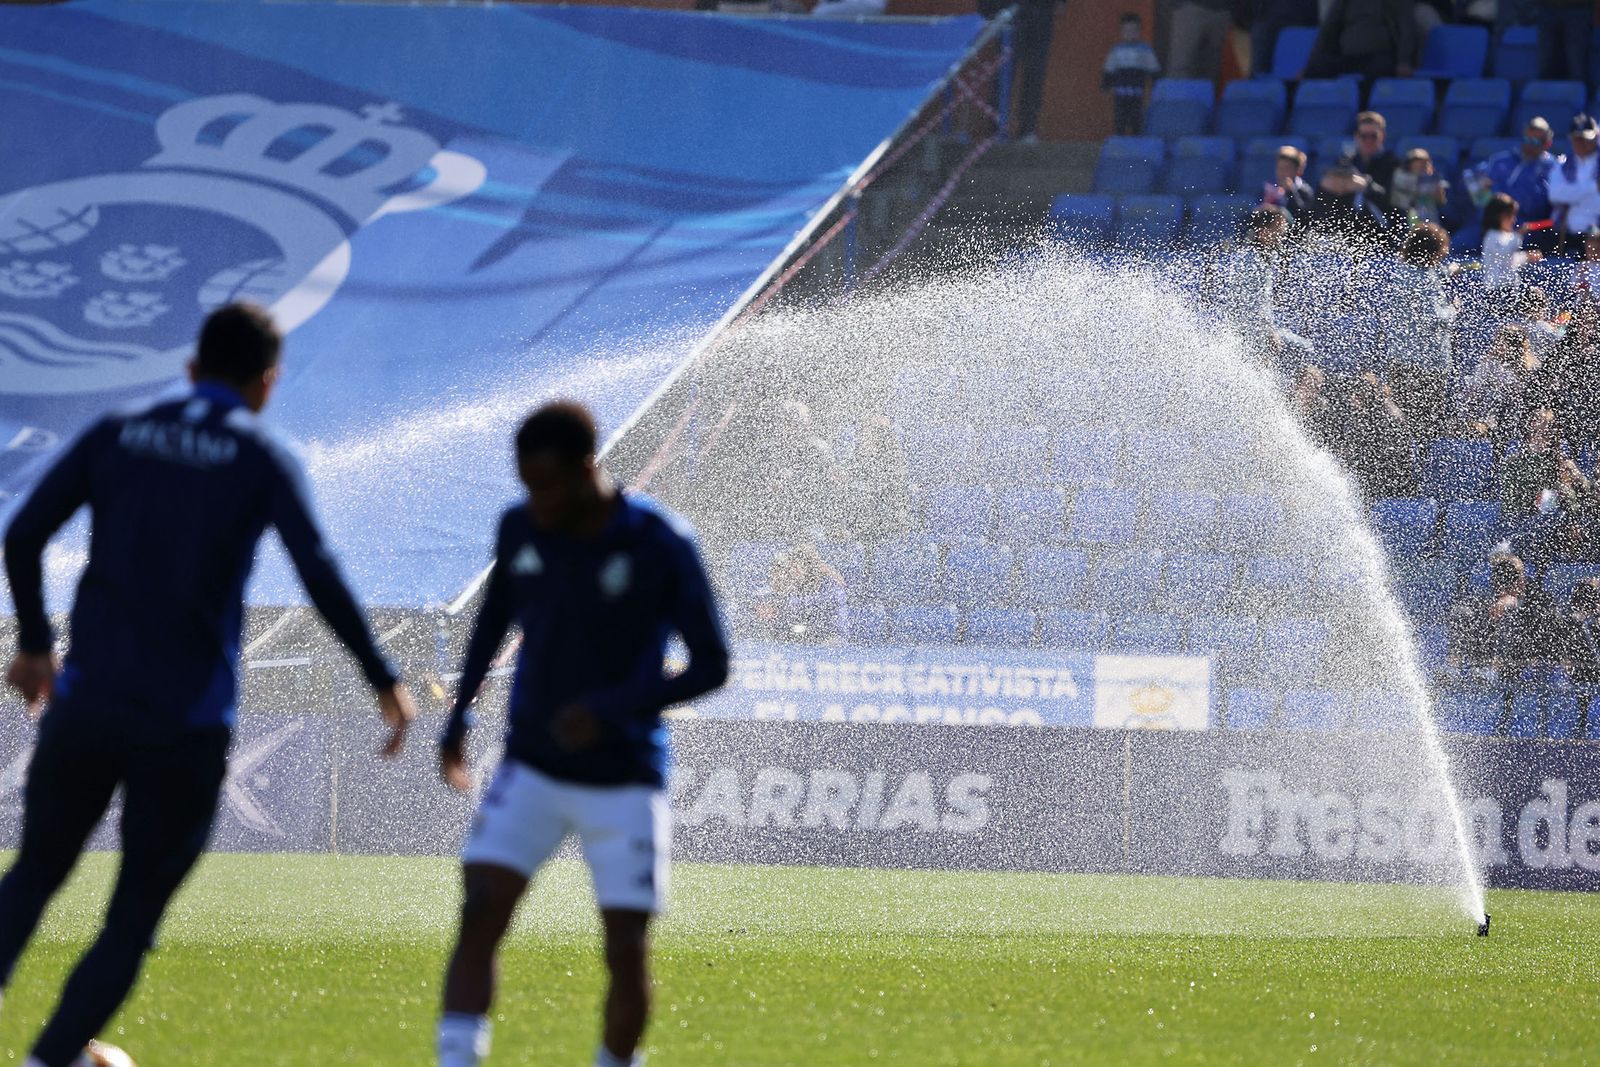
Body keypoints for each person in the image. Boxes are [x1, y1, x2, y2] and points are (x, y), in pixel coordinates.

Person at [0, 303, 415, 1067]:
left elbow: (22, 535)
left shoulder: (119, 430)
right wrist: (382, 676)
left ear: (191, 369)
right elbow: (318, 570)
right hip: (184, 724)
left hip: (87, 702)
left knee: (30, 880)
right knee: (131, 919)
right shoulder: (260, 454)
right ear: (268, 383)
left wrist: (34, 642)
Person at [436, 401, 730, 1067]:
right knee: (481, 908)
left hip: (625, 774)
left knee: (625, 947)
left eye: (548, 486)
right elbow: (494, 618)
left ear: (588, 468)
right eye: (527, 486)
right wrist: (460, 715)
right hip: (532, 764)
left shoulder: (659, 542)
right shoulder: (520, 526)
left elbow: (713, 663)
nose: (536, 502)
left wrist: (614, 706)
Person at [1445, 551, 1566, 686]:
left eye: (1521, 575)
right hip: (1491, 664)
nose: (1522, 581)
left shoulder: (1538, 599)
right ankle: (1456, 670)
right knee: (1465, 613)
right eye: (1514, 576)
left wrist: (1514, 604)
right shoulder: (1483, 603)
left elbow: (1546, 632)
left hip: (1527, 664)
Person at [1459, 118, 1558, 251]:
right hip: (1484, 223)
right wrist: (1481, 189)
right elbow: (1470, 179)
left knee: (1503, 252)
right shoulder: (1500, 160)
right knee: (1455, 246)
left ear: (1547, 143)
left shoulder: (1553, 168)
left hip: (1521, 227)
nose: (1528, 145)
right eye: (1526, 140)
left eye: (1535, 142)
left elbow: (1543, 205)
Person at [1316, 111, 1399, 242]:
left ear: (1383, 136)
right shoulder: (1346, 162)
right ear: (1356, 136)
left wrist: (1366, 186)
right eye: (1363, 136)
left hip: (1380, 232)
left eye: (1373, 136)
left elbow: (1395, 201)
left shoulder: (1393, 164)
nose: (1368, 141)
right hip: (1348, 232)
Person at [749, 542, 848, 643]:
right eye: (791, 567)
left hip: (829, 635)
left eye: (798, 566)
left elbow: (830, 616)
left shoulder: (829, 586)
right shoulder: (786, 588)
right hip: (797, 636)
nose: (793, 571)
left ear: (808, 568)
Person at [1460, 324, 1536, 448]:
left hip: (1517, 420)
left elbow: (1525, 399)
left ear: (1513, 346)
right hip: (1491, 419)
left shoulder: (1531, 367)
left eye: (1499, 343)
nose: (1494, 346)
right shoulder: (1490, 365)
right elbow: (1471, 395)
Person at [1304, 0, 1417, 81]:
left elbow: (1406, 29)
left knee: (1378, 71)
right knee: (1316, 70)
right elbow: (1328, 29)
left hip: (1379, 55)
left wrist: (1404, 61)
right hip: (1347, 56)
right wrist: (1310, 64)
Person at [1011, 0, 1069, 144]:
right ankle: (995, 129)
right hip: (1011, 9)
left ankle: (1028, 129)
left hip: (1043, 9)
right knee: (1004, 70)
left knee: (1035, 73)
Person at [1101, 11, 1161, 136]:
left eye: (1134, 31)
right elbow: (1109, 68)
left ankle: (1136, 140)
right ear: (1121, 32)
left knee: (1136, 118)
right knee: (1120, 117)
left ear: (1139, 31)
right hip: (1120, 93)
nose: (1130, 34)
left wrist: (1156, 82)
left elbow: (1153, 67)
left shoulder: (1145, 49)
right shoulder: (1116, 50)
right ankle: (1119, 140)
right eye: (1127, 31)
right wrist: (1106, 83)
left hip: (1137, 92)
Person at [1549, 115, 1600, 256]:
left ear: (1595, 136)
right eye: (1577, 139)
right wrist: (1593, 188)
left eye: (1585, 138)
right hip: (1567, 233)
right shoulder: (1562, 164)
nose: (1581, 143)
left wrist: (1572, 194)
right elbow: (1555, 194)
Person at [1480, 193, 1542, 293]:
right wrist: (1519, 235)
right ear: (1499, 216)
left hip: (1510, 288)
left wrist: (1526, 257)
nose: (1514, 220)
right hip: (1495, 290)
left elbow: (1510, 260)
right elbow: (1504, 252)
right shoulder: (1491, 236)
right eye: (1510, 215)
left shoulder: (1506, 236)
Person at [1167, 0, 1232, 81]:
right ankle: (1178, 90)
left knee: (1212, 67)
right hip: (1190, 8)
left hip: (1223, 11)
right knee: (1181, 65)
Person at [1536, 0, 1593, 82]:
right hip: (1547, 8)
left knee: (1576, 57)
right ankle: (1541, 86)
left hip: (1579, 8)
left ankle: (1579, 86)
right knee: (1544, 57)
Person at [1262, 144, 1318, 227]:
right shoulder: (1269, 188)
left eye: (1287, 168)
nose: (1282, 172)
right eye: (1279, 168)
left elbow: (1304, 218)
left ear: (1297, 170)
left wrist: (1290, 192)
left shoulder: (1304, 190)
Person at [1390, 147, 1448, 226]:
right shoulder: (1400, 176)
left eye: (1423, 162)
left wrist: (1438, 191)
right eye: (1416, 162)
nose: (1420, 165)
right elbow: (1400, 200)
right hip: (1406, 217)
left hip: (1430, 217)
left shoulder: (1434, 178)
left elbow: (1442, 201)